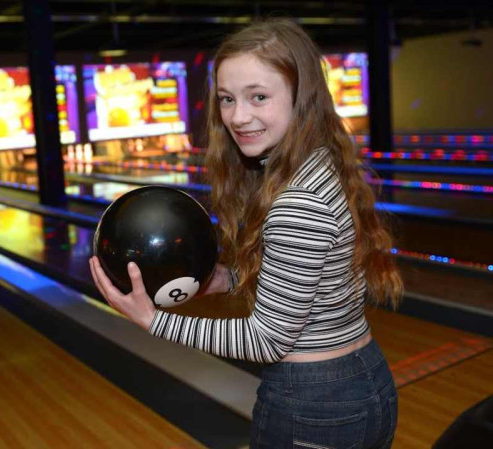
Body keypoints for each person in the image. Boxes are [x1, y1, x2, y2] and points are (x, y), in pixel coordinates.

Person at [89, 18, 403, 449]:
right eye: (227, 98)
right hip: (357, 382)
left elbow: (266, 340)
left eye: (259, 96)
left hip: (314, 407)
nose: (238, 117)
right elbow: (308, 284)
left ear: (301, 97)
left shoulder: (298, 202)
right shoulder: (320, 163)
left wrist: (154, 321)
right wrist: (228, 278)